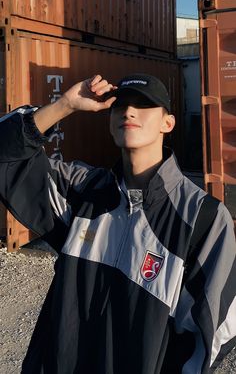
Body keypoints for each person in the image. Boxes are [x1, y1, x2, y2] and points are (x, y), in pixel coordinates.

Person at [0, 73, 235, 374]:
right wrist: (65, 105)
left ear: (168, 123)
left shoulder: (202, 217)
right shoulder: (82, 191)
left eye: (144, 104)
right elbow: (6, 156)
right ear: (110, 121)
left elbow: (215, 332)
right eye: (120, 105)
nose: (129, 111)